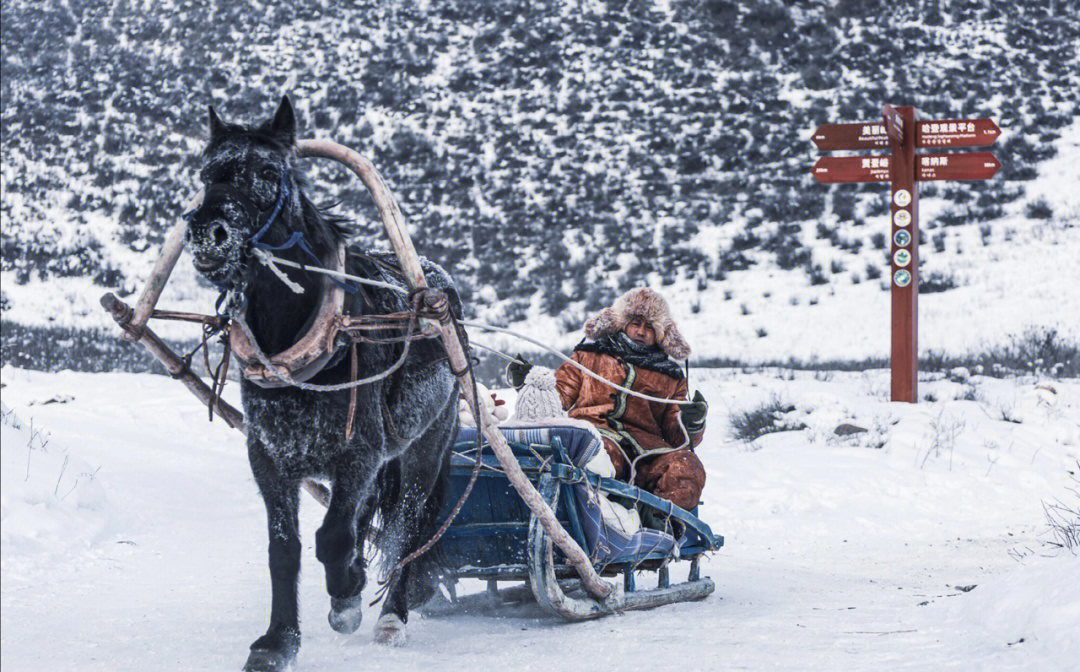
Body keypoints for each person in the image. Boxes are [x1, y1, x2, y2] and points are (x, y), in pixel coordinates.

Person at [508, 287, 708, 514]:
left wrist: (692, 422)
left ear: (661, 334)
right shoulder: (588, 356)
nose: (641, 331)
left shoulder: (672, 377)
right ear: (623, 323)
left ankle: (657, 523)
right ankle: (591, 515)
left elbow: (678, 437)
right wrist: (529, 383)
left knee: (687, 467)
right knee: (599, 453)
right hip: (594, 437)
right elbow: (558, 396)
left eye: (650, 327)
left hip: (647, 454)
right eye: (635, 323)